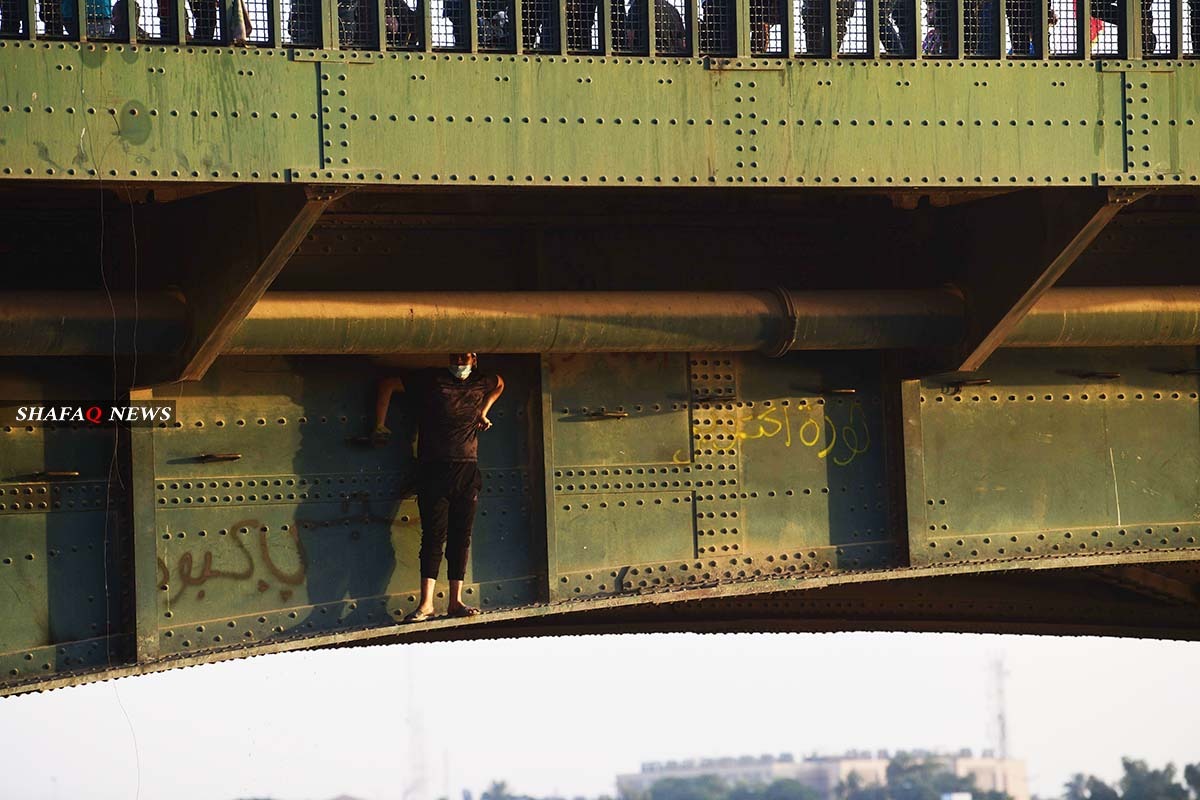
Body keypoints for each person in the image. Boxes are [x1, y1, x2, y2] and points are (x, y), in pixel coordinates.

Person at [374, 353, 505, 622]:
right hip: (433, 469)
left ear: (474, 359)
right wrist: (379, 424)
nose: (459, 363)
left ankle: (455, 602)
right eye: (455, 357)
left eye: (464, 358)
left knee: (461, 537)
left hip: (467, 470)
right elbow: (387, 384)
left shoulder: (481, 381)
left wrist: (483, 412)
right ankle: (426, 605)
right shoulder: (431, 379)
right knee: (433, 538)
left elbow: (500, 384)